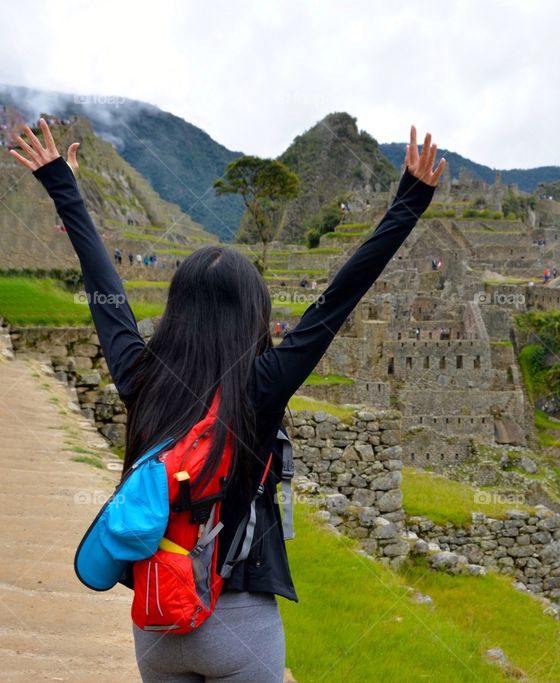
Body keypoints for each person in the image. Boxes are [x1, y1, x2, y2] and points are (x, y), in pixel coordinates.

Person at [10, 119, 445, 682]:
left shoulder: (141, 376)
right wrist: (409, 201)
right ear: (253, 314)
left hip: (158, 619)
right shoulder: (260, 387)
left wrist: (62, 187)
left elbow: (106, 294)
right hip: (238, 619)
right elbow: (337, 299)